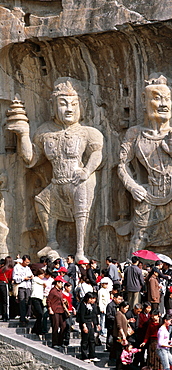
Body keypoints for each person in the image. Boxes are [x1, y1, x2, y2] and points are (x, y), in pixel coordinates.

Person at [7, 78, 104, 261]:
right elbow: (31, 159)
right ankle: (51, 241)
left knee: (81, 202)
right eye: (63, 104)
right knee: (41, 201)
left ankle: (80, 250)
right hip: (57, 181)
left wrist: (86, 171)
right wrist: (24, 135)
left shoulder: (87, 132)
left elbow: (96, 154)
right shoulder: (45, 132)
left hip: (78, 180)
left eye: (74, 104)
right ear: (53, 106)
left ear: (80, 107)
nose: (69, 109)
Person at [118, 74, 172, 261]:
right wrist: (133, 186)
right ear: (144, 100)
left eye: (167, 99)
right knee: (139, 232)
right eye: (157, 98)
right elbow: (122, 165)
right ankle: (129, 267)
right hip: (150, 189)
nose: (163, 104)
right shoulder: (134, 133)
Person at [76, 291, 100, 363]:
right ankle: (84, 356)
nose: (91, 300)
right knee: (85, 340)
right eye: (90, 298)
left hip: (90, 322)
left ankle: (92, 355)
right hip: (85, 323)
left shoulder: (91, 305)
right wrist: (84, 325)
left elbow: (93, 315)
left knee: (91, 340)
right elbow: (82, 316)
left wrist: (95, 323)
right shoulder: (82, 305)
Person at [47, 275, 67, 348]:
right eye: (61, 283)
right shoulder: (53, 291)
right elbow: (48, 300)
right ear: (57, 283)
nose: (62, 284)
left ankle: (60, 342)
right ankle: (55, 343)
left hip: (61, 310)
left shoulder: (60, 291)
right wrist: (50, 309)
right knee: (55, 326)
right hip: (55, 310)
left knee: (63, 326)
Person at [12, 254, 33, 324]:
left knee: (28, 301)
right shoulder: (17, 267)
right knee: (22, 302)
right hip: (21, 286)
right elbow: (15, 277)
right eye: (26, 262)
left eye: (28, 262)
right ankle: (22, 318)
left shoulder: (28, 268)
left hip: (28, 286)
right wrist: (23, 278)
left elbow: (30, 274)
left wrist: (31, 277)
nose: (27, 264)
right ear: (23, 261)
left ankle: (27, 315)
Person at [106, 293, 123, 366]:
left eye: (121, 299)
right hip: (111, 326)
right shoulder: (110, 305)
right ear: (114, 298)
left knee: (117, 342)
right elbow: (108, 315)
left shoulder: (119, 306)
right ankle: (111, 357)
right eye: (119, 299)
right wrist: (116, 319)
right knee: (111, 342)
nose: (120, 301)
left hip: (117, 328)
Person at [113, 301, 130, 369]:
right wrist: (123, 336)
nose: (127, 310)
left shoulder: (122, 314)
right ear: (122, 307)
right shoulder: (119, 314)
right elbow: (119, 326)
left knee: (121, 353)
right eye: (126, 308)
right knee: (119, 353)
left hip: (122, 336)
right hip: (119, 337)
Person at [30, 268, 46, 336]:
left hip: (40, 298)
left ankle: (35, 329)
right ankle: (37, 329)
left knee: (40, 315)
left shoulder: (39, 280)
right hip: (35, 298)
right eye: (42, 275)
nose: (43, 277)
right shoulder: (35, 278)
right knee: (40, 314)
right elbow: (43, 283)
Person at [0, 256, 14, 321]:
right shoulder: (10, 269)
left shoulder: (1, 269)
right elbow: (10, 278)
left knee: (1, 300)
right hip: (4, 284)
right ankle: (6, 315)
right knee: (6, 301)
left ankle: (2, 315)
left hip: (0, 284)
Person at [62, 282, 76, 346]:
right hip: (65, 311)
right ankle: (63, 338)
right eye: (69, 287)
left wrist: (73, 308)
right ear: (66, 287)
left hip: (70, 311)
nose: (70, 289)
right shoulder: (62, 294)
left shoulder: (70, 295)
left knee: (69, 325)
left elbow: (70, 303)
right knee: (66, 325)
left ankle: (67, 339)